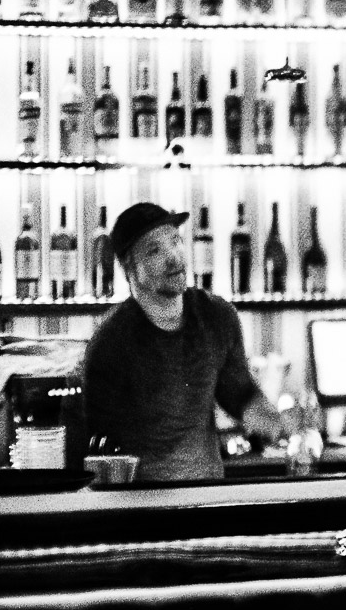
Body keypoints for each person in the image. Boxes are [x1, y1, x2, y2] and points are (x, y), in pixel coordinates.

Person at [81, 202, 288, 482]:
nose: (173, 257)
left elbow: (240, 395)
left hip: (206, 496)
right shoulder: (110, 343)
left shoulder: (216, 316)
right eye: (154, 250)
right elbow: (96, 449)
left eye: (175, 241)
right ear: (129, 268)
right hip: (141, 501)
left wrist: (277, 422)